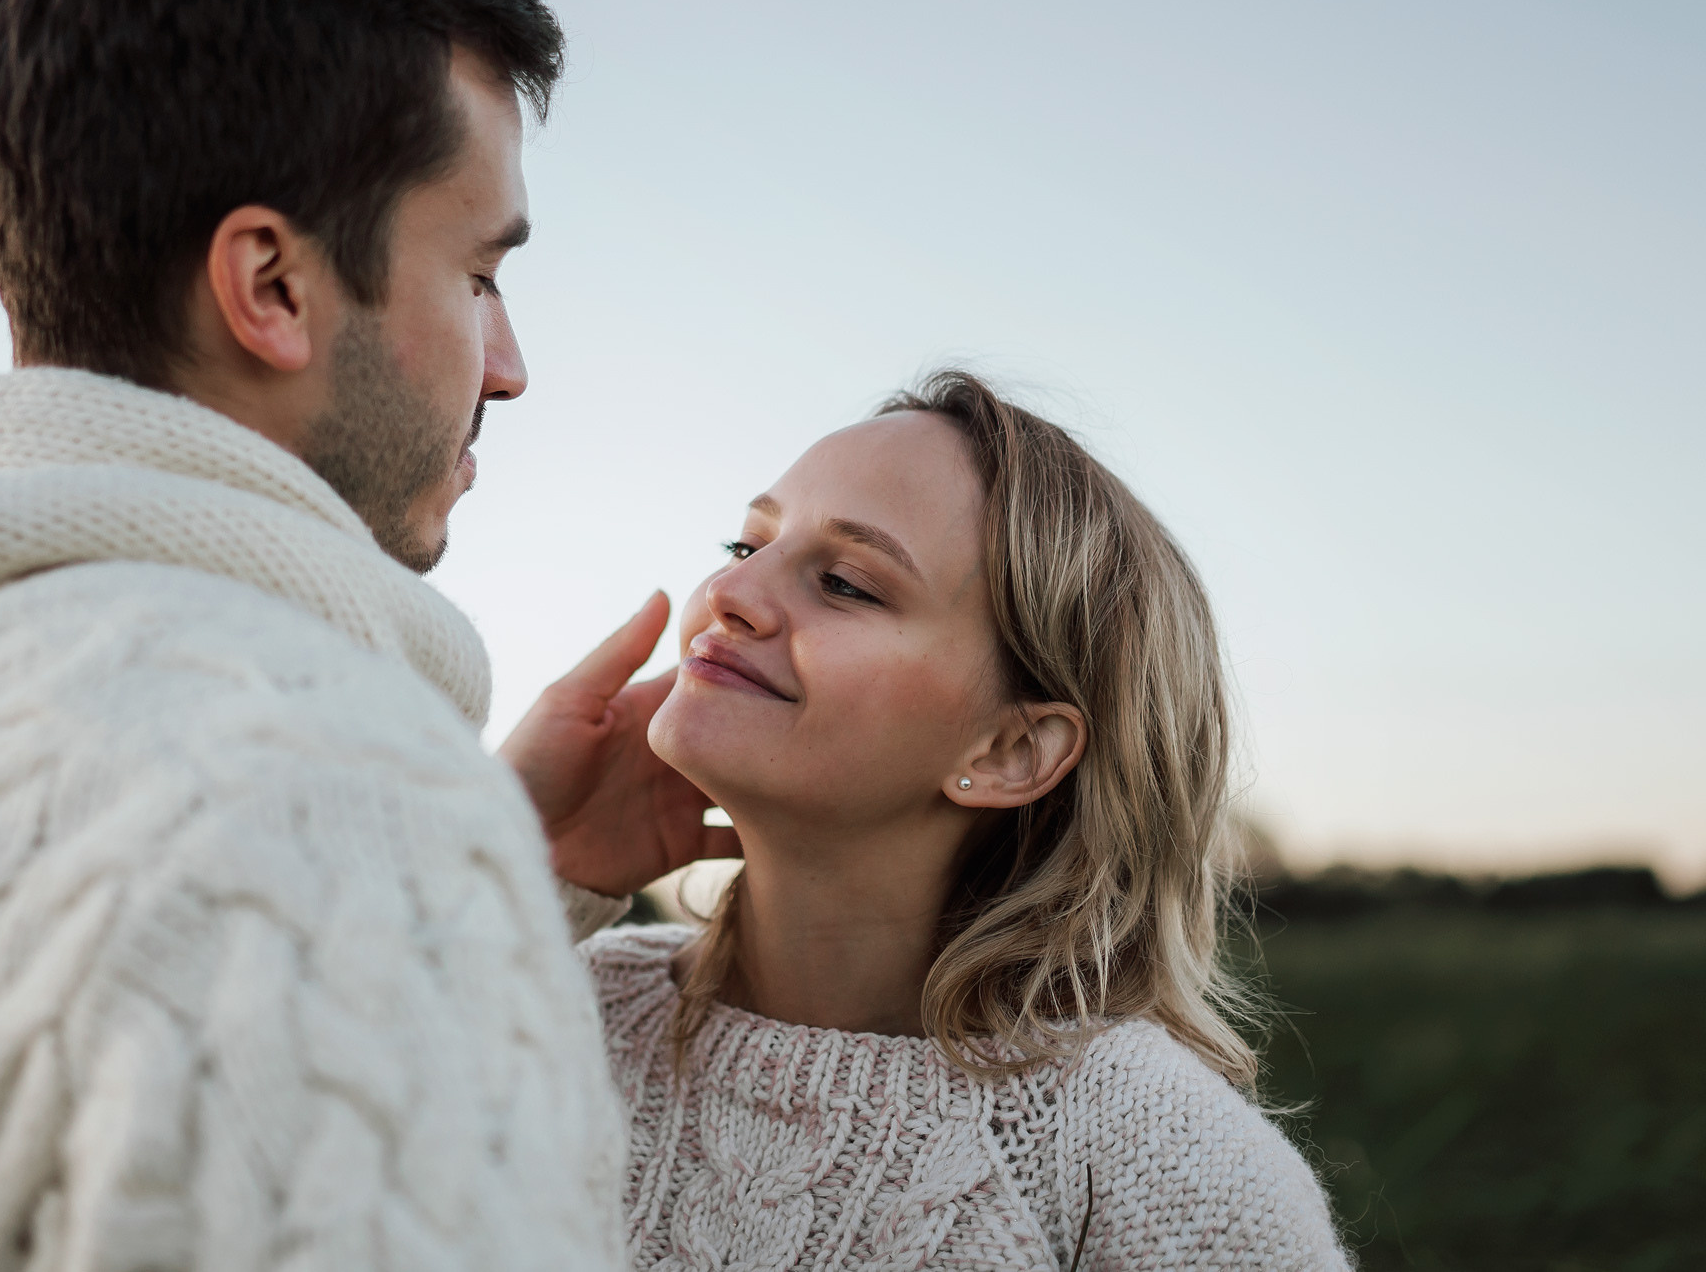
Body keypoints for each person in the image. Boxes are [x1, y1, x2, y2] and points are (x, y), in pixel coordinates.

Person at [0, 0, 716, 1269]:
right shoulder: (330, 795)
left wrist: (504, 870)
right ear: (272, 286)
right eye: (479, 275)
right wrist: (417, 852)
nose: (509, 368)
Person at [531, 372, 1352, 1270]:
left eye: (845, 582)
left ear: (1012, 750)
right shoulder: (541, 1008)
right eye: (746, 542)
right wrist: (523, 856)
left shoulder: (1165, 1166)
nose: (730, 590)